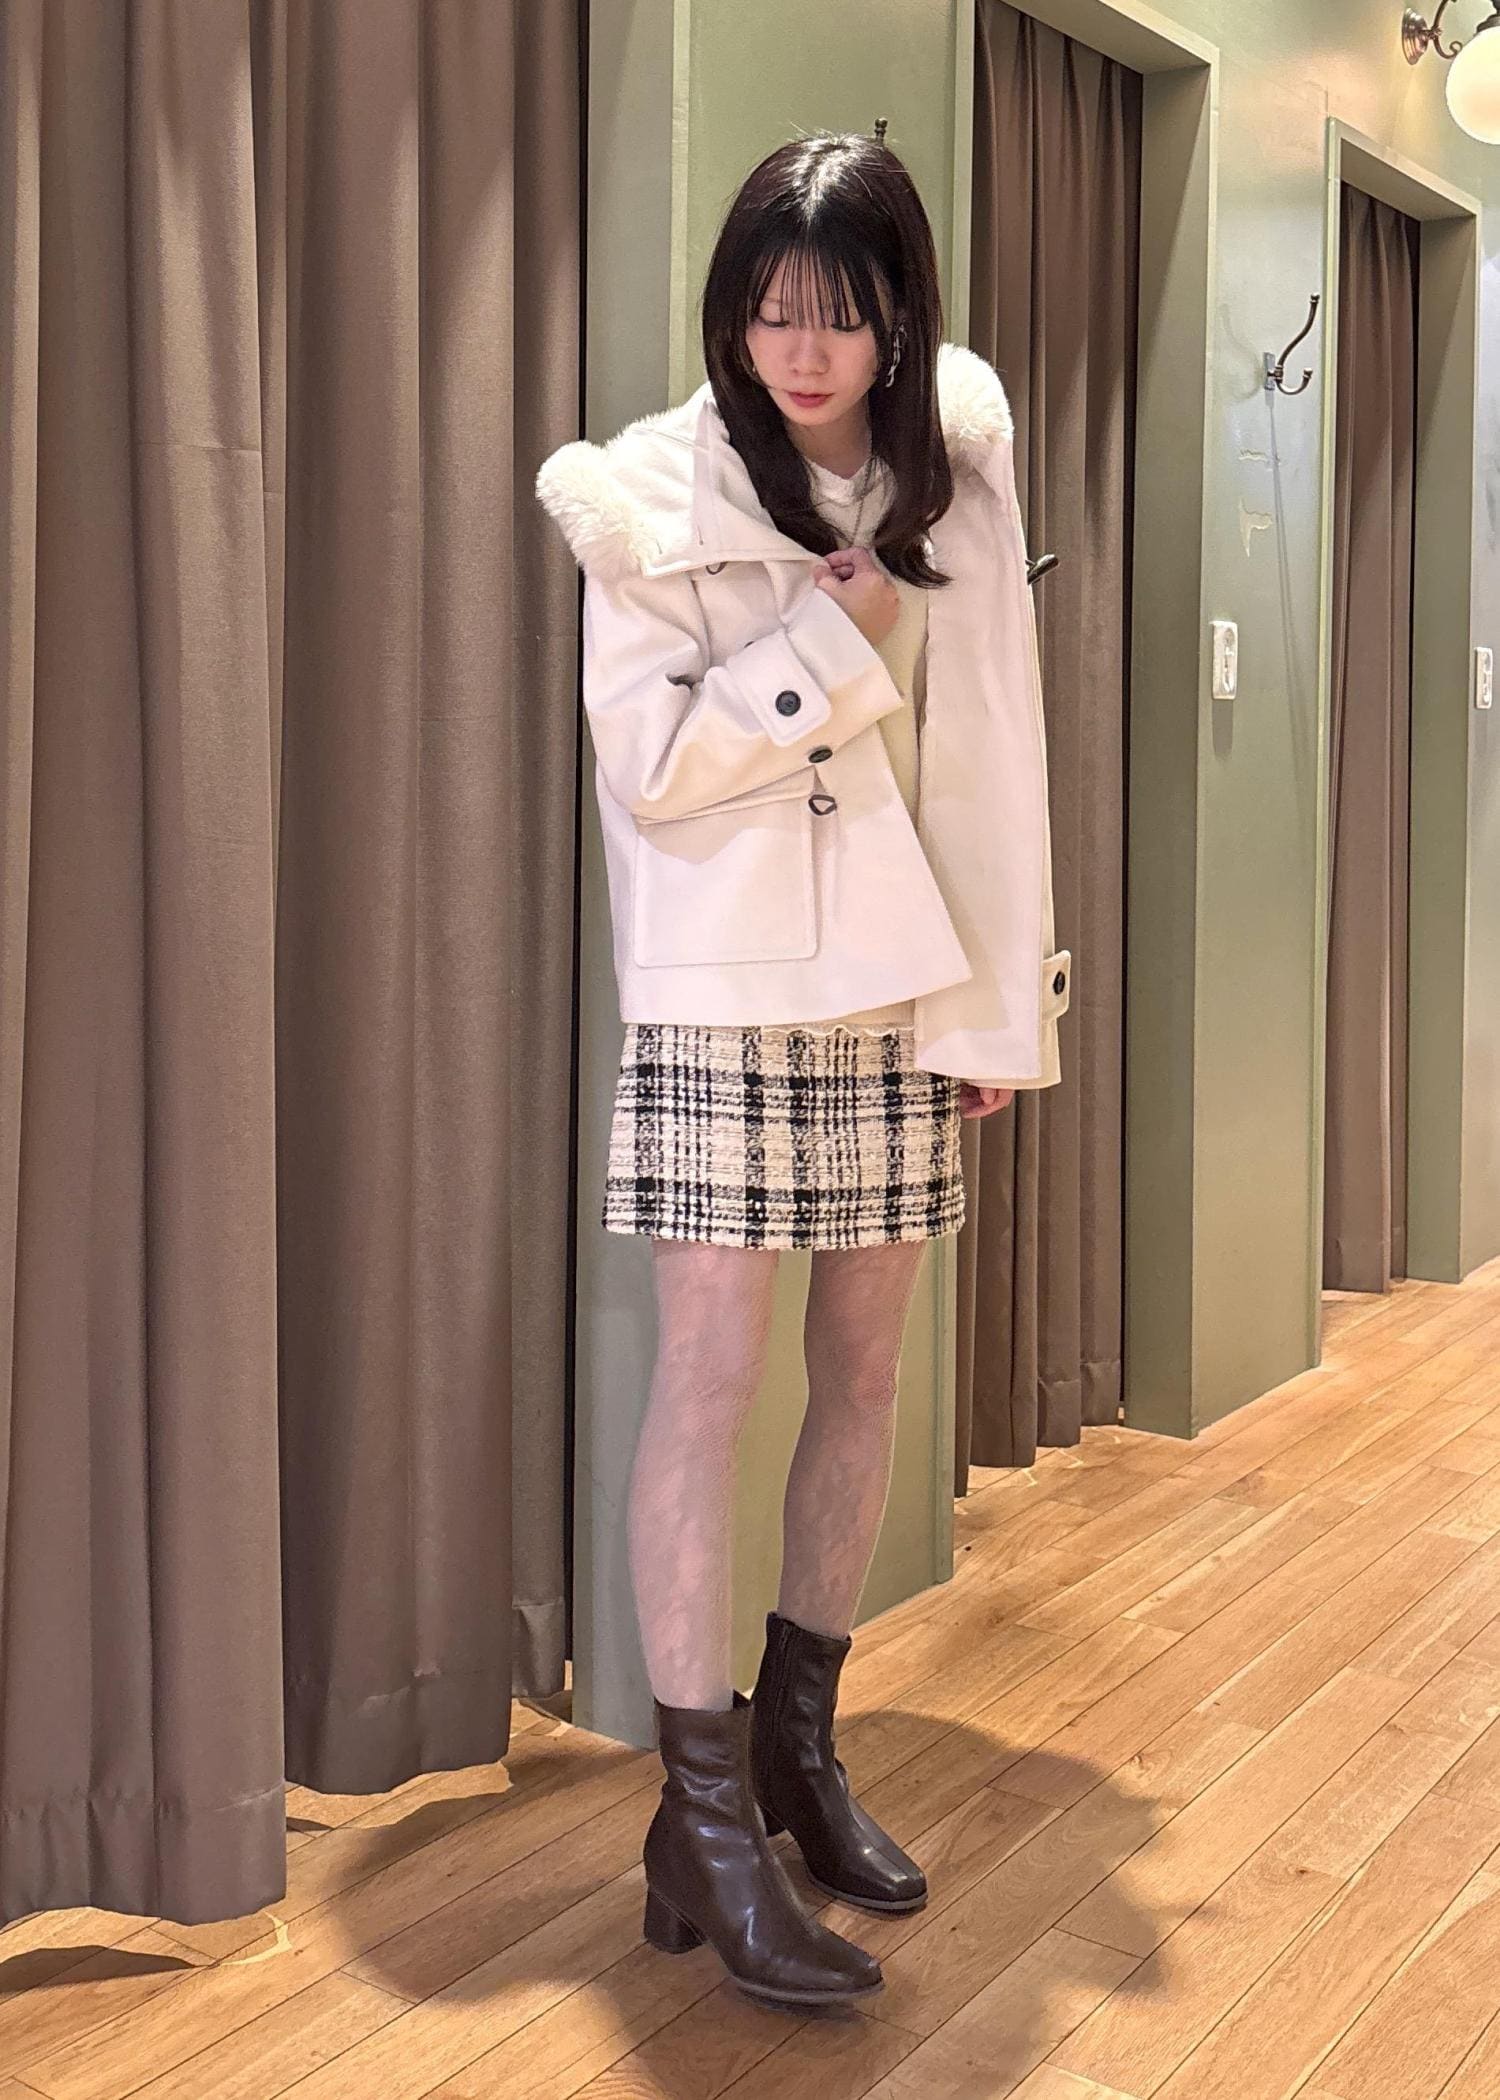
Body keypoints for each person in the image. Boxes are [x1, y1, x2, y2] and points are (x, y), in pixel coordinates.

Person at [535, 129, 1069, 2011]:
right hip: (723, 992)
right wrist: (824, 647)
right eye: (771, 312)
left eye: (840, 314)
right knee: (709, 1382)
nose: (803, 351)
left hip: (899, 995)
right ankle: (698, 1819)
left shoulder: (959, 478)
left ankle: (798, 1755)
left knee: (864, 1379)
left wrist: (994, 1008)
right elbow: (652, 768)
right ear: (731, 314)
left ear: (898, 317)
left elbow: (993, 752)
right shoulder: (643, 497)